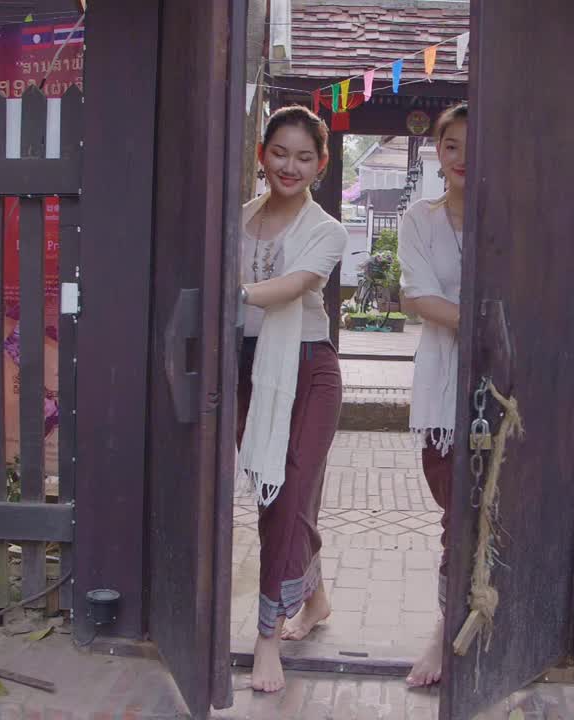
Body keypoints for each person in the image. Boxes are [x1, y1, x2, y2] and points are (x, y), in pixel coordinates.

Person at [238, 105, 348, 693]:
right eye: (280, 152)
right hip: (247, 369)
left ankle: (265, 636)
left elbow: (293, 287)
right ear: (263, 154)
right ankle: (317, 597)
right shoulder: (239, 218)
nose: (290, 165)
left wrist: (225, 296)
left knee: (288, 496)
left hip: (308, 371)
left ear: (321, 165)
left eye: (304, 156)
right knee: (278, 499)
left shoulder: (327, 231)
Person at [398, 102, 468, 688]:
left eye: (476, 144)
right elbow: (419, 296)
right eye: (452, 145)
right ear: (439, 154)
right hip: (444, 388)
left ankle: (464, 629)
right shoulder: (419, 220)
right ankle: (448, 627)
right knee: (456, 513)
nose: (464, 157)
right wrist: (489, 323)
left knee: (498, 512)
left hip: (509, 393)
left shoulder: (512, 217)